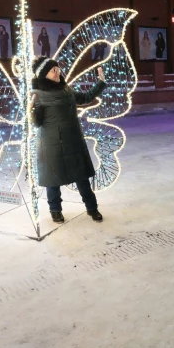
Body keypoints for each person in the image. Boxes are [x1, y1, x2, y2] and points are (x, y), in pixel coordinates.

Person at [28, 57, 107, 223]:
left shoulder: (66, 89)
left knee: (81, 176)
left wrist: (100, 82)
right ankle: (55, 210)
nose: (58, 72)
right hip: (51, 144)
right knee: (53, 179)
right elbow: (37, 123)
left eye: (58, 69)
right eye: (53, 70)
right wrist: (30, 111)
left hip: (72, 139)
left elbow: (85, 98)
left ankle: (92, 208)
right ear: (43, 74)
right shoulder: (38, 95)